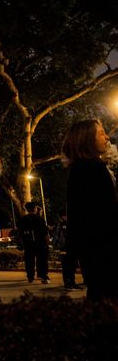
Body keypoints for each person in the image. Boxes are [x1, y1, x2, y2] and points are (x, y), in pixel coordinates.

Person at [62, 119, 118, 301]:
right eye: (101, 133)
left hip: (96, 249)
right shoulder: (90, 170)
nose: (106, 137)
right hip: (103, 249)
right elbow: (102, 213)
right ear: (88, 140)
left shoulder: (83, 169)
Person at [17, 203, 49, 284]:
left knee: (29, 260)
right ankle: (43, 276)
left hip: (28, 243)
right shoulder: (40, 219)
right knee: (42, 260)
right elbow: (45, 232)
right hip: (40, 243)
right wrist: (47, 243)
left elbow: (20, 232)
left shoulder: (23, 219)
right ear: (35, 209)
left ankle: (30, 276)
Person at [52, 214, 80, 290]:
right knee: (66, 266)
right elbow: (56, 235)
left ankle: (73, 282)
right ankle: (67, 283)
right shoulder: (60, 224)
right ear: (63, 216)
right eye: (65, 215)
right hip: (64, 248)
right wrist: (57, 245)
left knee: (72, 266)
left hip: (72, 247)